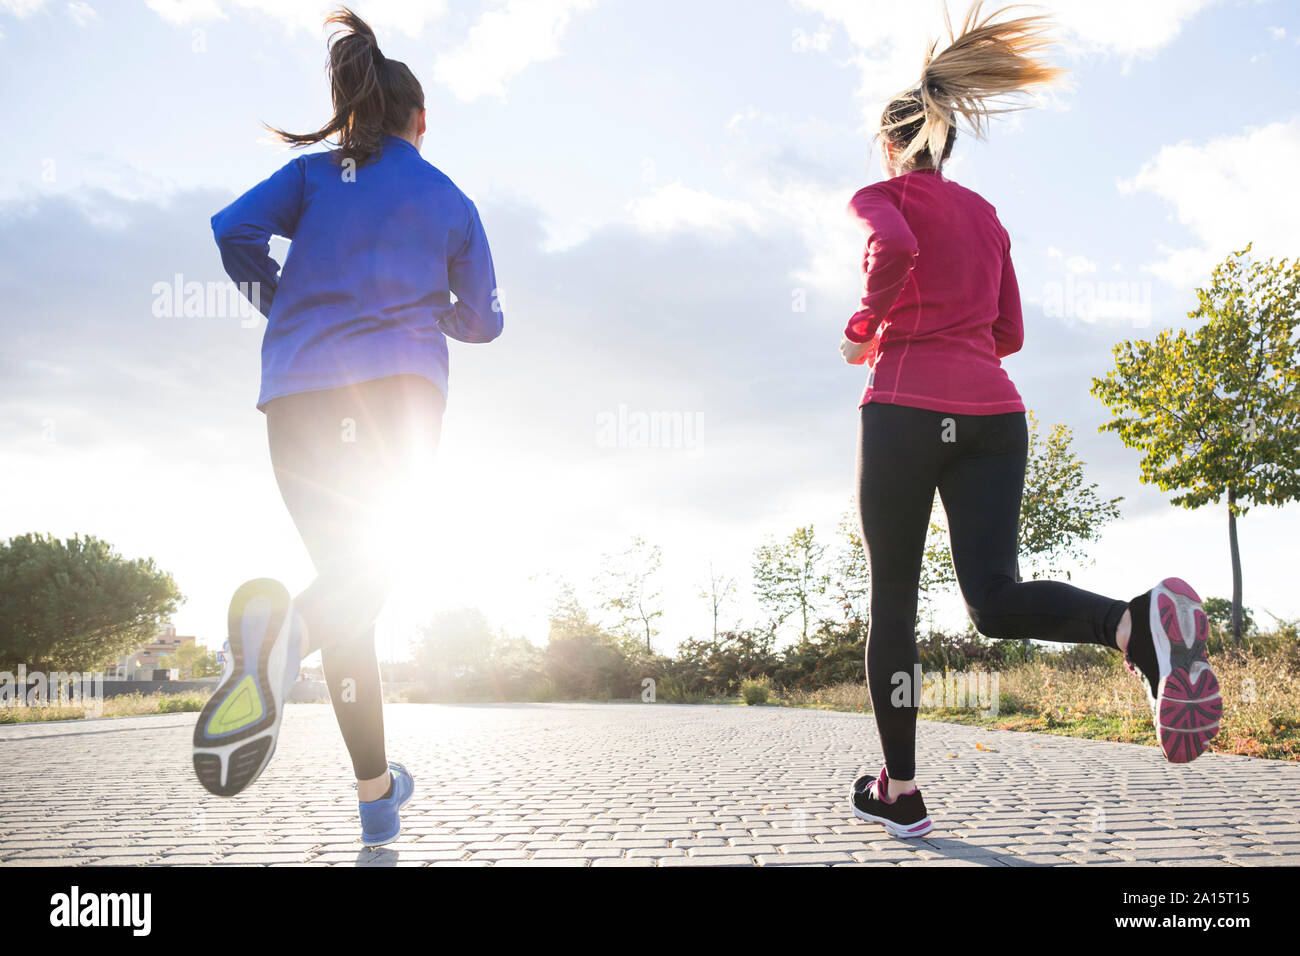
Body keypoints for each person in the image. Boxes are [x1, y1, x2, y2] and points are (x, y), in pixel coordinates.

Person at [839, 3, 1221, 839]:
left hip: (906, 405)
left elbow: (895, 252)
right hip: (994, 414)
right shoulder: (985, 217)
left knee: (894, 603)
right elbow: (1010, 334)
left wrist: (865, 328)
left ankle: (899, 790)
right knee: (995, 596)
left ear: (890, 143)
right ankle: (1134, 625)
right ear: (947, 141)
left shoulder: (879, 195)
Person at [192, 7, 502, 848]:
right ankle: (284, 639)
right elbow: (484, 321)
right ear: (420, 120)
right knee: (376, 567)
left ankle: (376, 796)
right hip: (398, 392)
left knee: (351, 591)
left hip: (295, 393)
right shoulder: (451, 199)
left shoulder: (316, 176)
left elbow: (230, 230)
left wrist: (282, 301)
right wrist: (437, 307)